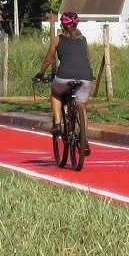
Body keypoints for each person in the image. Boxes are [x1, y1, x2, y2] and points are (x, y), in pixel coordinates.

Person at [34, 11, 93, 154]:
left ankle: (57, 124)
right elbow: (86, 58)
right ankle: (83, 138)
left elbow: (48, 60)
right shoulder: (83, 39)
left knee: (55, 93)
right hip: (85, 76)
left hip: (64, 76)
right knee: (82, 107)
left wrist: (40, 74)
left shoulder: (57, 39)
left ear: (62, 25)